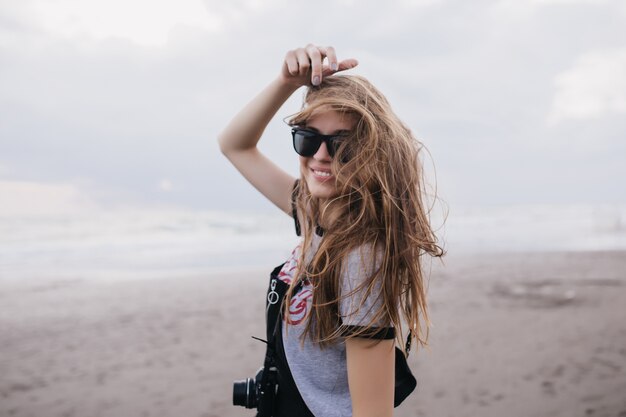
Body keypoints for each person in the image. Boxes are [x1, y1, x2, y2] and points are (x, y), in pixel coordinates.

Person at [218, 44, 443, 417]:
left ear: (373, 151)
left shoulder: (363, 257)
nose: (321, 156)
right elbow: (235, 145)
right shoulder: (316, 212)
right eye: (308, 137)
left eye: (344, 145)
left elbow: (373, 412)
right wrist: (286, 82)